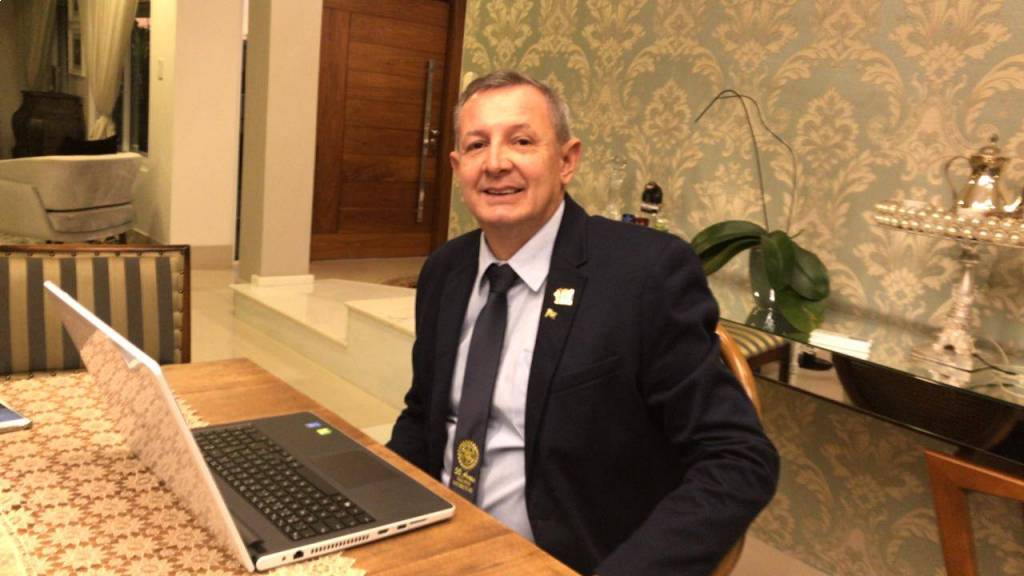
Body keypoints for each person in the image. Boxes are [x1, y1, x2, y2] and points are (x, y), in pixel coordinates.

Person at [387, 70, 779, 576]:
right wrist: (376, 506)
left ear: (566, 160)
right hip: (435, 541)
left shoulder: (645, 275)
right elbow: (424, 414)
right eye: (477, 145)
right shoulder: (445, 270)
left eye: (522, 141)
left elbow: (737, 457)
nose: (496, 163)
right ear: (458, 166)